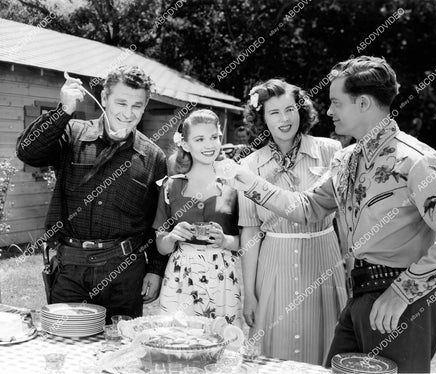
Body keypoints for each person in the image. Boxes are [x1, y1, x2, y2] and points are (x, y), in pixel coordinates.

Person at [228, 56, 436, 372]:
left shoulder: (417, 161)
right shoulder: (347, 159)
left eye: (336, 103)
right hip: (357, 297)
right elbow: (308, 208)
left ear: (362, 103)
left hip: (403, 303)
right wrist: (243, 179)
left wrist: (402, 292)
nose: (329, 111)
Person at [16, 66, 169, 322]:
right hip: (71, 269)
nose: (128, 113)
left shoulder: (154, 157)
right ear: (105, 98)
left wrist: (155, 270)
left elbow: (158, 221)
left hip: (125, 272)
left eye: (136, 105)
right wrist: (62, 110)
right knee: (69, 348)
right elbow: (28, 152)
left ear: (145, 106)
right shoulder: (74, 133)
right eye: (121, 102)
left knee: (121, 353)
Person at [238, 79, 347, 365]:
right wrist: (249, 293)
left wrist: (350, 268)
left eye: (290, 109)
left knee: (326, 341)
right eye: (274, 112)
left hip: (324, 258)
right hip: (274, 264)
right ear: (262, 118)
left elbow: (346, 216)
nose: (284, 119)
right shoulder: (249, 166)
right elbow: (250, 231)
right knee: (274, 347)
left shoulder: (331, 150)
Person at [153, 109, 241, 325]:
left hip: (221, 277)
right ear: (185, 144)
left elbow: (245, 241)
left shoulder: (233, 184)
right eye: (199, 139)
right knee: (178, 341)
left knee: (220, 341)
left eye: (214, 137)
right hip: (180, 276)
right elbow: (161, 246)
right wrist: (172, 236)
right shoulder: (170, 186)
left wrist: (224, 240)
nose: (209, 145)